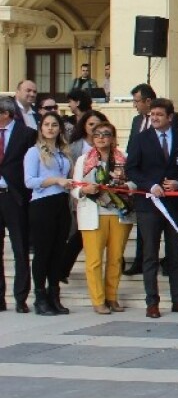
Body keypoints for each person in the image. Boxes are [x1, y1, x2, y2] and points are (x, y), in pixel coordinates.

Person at [124, 98, 178, 319]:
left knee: (175, 254)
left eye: (159, 114)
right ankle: (152, 302)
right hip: (149, 205)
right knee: (150, 255)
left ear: (170, 117)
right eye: (152, 114)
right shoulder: (140, 139)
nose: (154, 118)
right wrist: (151, 185)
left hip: (174, 204)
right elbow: (132, 169)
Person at [71, 122, 130, 315]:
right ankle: (98, 299)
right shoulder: (83, 160)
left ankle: (111, 297)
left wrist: (126, 186)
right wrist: (84, 190)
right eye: (97, 135)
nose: (101, 138)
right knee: (94, 260)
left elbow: (134, 181)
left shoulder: (124, 157)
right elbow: (74, 187)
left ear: (113, 137)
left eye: (106, 134)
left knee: (115, 258)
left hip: (119, 212)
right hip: (93, 212)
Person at [23, 112, 73, 316]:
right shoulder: (33, 152)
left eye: (54, 125)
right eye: (46, 125)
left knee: (57, 251)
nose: (50, 128)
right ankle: (40, 296)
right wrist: (54, 180)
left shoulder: (63, 153)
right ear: (41, 128)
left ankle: (54, 294)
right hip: (42, 204)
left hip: (61, 203)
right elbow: (29, 181)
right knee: (43, 252)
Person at [0, 98, 34, 312]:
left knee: (20, 248)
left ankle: (21, 298)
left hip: (15, 197)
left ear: (5, 113)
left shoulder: (26, 134)